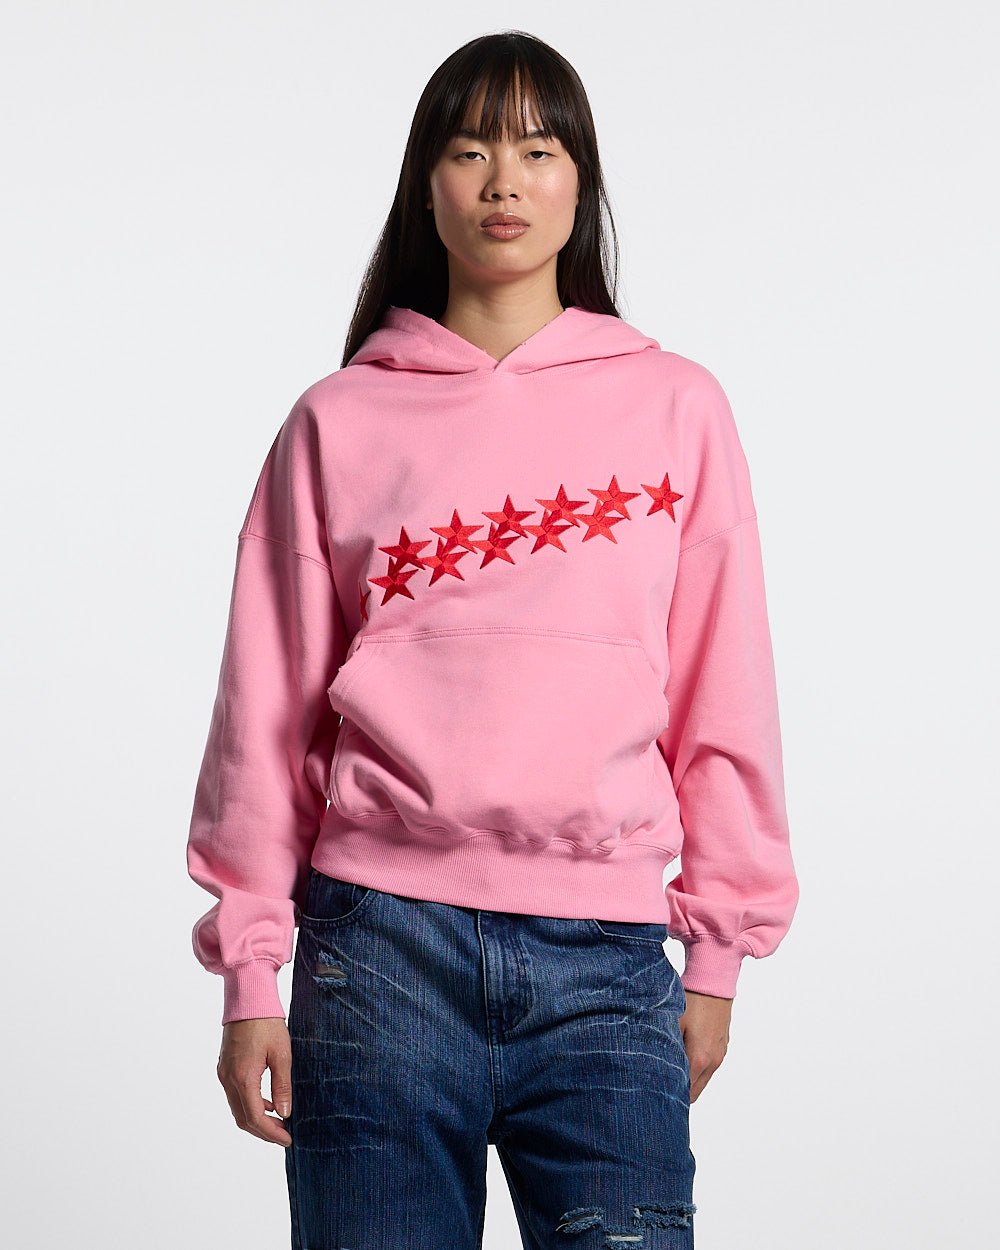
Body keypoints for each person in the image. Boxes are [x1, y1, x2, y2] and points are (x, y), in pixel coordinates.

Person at [186, 29, 799, 1250]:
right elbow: (264, 710)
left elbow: (722, 691)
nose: (503, 181)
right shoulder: (338, 419)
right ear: (426, 185)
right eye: (469, 150)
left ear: (581, 182)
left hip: (606, 960)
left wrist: (717, 950)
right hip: (377, 951)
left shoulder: (676, 406)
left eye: (536, 149)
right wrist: (251, 969)